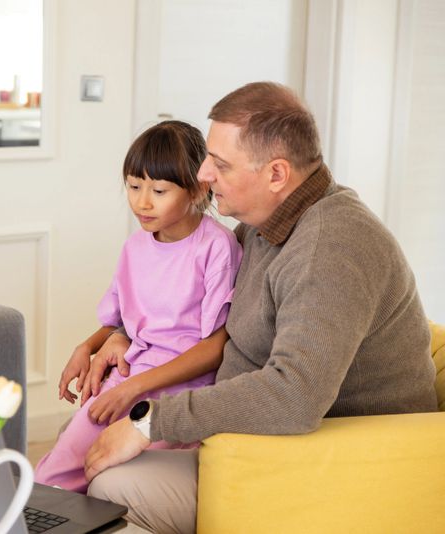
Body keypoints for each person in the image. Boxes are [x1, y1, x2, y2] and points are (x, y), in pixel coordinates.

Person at [83, 82, 439, 533]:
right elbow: (182, 303)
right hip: (253, 446)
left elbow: (295, 395)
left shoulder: (329, 248)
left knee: (110, 488)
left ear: (276, 175)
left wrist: (149, 422)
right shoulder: (262, 226)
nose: (204, 175)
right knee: (90, 453)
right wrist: (119, 335)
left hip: (334, 468)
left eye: (220, 164)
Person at [34, 121, 242, 493]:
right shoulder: (134, 247)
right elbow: (120, 322)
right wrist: (86, 347)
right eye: (133, 186)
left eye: (159, 191)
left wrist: (134, 389)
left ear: (198, 188)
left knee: (106, 472)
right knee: (51, 477)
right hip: (129, 376)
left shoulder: (216, 247)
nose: (142, 202)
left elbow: (214, 347)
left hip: (178, 391)